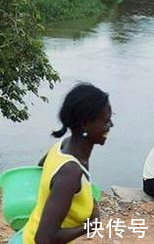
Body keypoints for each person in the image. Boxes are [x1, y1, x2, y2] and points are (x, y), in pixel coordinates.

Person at [21, 83, 114, 244]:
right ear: (85, 124)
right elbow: (43, 239)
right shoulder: (70, 172)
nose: (111, 125)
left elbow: (41, 168)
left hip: (29, 232)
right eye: (106, 121)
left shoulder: (63, 146)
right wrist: (91, 225)